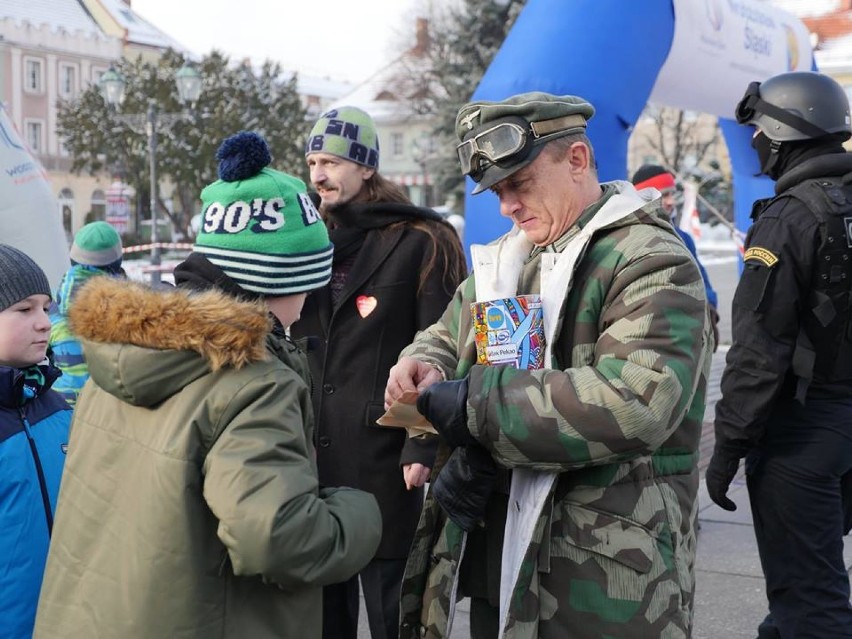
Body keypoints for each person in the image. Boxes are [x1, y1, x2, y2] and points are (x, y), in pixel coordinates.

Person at [385, 91, 713, 638]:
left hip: (606, 583)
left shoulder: (652, 260)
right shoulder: (518, 256)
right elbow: (451, 329)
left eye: (520, 184)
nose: (506, 206)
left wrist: (476, 407)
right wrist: (426, 362)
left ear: (577, 160)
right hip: (507, 556)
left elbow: (634, 403)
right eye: (497, 191)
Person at [33, 132, 383, 638]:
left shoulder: (117, 355)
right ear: (277, 281)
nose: (311, 296)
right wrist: (359, 512)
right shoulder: (255, 385)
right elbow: (277, 539)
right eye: (309, 279)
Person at [293, 106, 468, 639]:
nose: (319, 174)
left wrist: (422, 445)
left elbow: (445, 351)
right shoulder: (307, 239)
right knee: (326, 614)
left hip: (387, 461)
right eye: (313, 162)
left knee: (394, 611)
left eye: (333, 162)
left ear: (366, 167)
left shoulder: (420, 239)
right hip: (313, 459)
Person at [707, 71, 852, 638]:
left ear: (781, 133)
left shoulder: (790, 217)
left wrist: (728, 448)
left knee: (809, 605)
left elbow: (758, 352)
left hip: (803, 436)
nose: (755, 145)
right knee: (808, 585)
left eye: (758, 133)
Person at [0, 244, 71, 639]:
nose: (44, 322)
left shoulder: (60, 409)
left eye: (46, 307)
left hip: (64, 621)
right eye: (24, 309)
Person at [631, 164, 720, 350]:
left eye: (672, 194)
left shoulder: (683, 237)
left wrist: (709, 310)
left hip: (689, 338)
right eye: (663, 195)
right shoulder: (631, 239)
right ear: (644, 198)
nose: (671, 201)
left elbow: (702, 279)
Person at [49, 220, 125, 406]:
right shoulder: (123, 309)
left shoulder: (52, 308)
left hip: (61, 408)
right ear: (117, 263)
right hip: (104, 410)